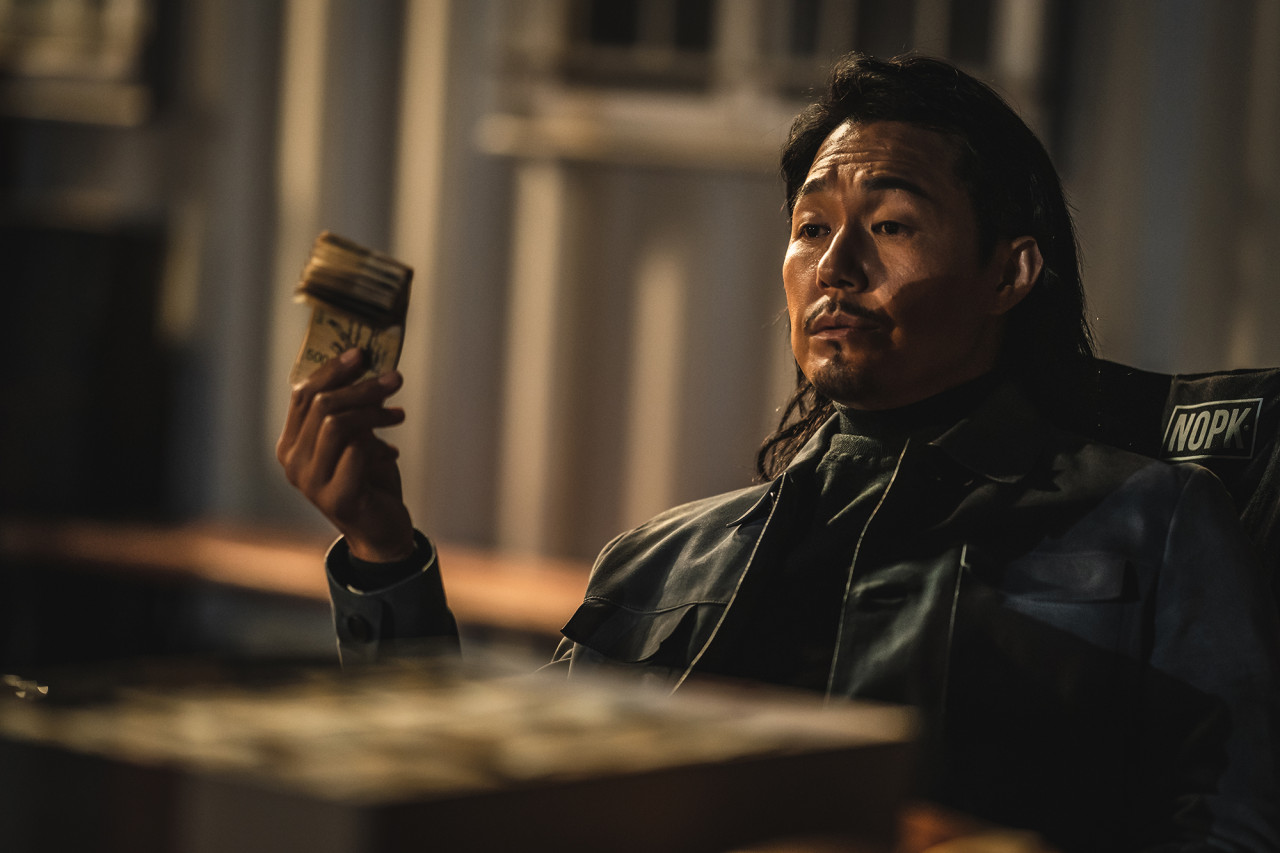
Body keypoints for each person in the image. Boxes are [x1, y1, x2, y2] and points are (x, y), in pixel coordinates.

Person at [277, 54, 1280, 852]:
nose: (835, 266)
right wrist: (381, 552)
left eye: (891, 223)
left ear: (1008, 273)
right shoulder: (659, 562)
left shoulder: (1150, 520)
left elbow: (1231, 828)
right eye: (809, 228)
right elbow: (513, 811)